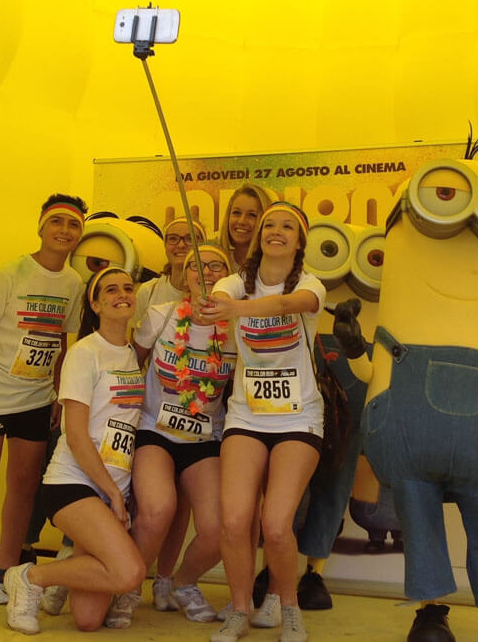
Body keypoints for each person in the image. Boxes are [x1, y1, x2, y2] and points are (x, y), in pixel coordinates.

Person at [0, 194, 87, 621]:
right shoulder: (11, 273)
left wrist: (58, 393)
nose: (64, 231)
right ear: (41, 226)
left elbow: (62, 343)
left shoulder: (74, 284)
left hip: (36, 400)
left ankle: (5, 574)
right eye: (57, 221)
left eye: (73, 225)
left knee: (24, 485)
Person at [200, 202, 326, 642]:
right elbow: (219, 299)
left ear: (299, 240)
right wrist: (217, 305)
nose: (276, 231)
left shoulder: (311, 284)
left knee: (275, 524)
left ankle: (289, 607)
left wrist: (237, 310)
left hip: (299, 417)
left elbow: (292, 303)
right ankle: (239, 610)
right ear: (258, 237)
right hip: (246, 416)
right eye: (269, 224)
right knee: (235, 521)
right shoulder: (236, 282)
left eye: (287, 226)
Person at [0, 266, 147, 634]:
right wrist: (114, 494)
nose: (121, 294)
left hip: (111, 487)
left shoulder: (131, 353)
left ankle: (65, 569)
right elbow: (77, 437)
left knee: (87, 620)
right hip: (73, 484)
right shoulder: (84, 353)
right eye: (110, 290)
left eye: (127, 288)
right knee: (129, 573)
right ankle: (28, 578)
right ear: (95, 305)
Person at [104, 241, 237, 629]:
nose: (206, 272)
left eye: (216, 266)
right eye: (198, 265)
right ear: (185, 276)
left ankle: (183, 582)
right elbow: (131, 365)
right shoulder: (161, 315)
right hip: (154, 431)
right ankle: (128, 588)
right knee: (158, 510)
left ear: (228, 277)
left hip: (204, 438)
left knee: (219, 528)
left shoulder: (236, 328)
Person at [130, 217, 207, 331]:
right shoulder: (148, 291)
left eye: (190, 239)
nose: (181, 245)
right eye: (173, 238)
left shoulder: (213, 294)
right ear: (165, 245)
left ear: (203, 245)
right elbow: (134, 337)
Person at [217, 184, 270, 272]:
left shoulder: (273, 267)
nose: (242, 221)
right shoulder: (215, 263)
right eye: (236, 213)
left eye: (252, 215)